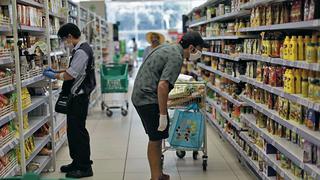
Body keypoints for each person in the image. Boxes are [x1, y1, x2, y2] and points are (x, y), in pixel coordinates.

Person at [131, 31, 208, 180]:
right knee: (155, 139)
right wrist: (163, 114)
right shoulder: (176, 57)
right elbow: (162, 86)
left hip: (142, 93)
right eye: (199, 49)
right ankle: (155, 177)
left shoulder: (170, 48)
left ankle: (158, 174)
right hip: (147, 97)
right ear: (191, 48)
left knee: (158, 137)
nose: (200, 53)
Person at [43, 23, 96, 178]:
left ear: (70, 37)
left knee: (78, 132)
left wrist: (54, 75)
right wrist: (57, 71)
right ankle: (76, 162)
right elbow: (76, 71)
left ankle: (85, 167)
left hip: (79, 97)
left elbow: (71, 75)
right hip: (77, 96)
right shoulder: (82, 49)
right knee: (73, 131)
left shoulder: (81, 51)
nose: (64, 43)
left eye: (64, 39)